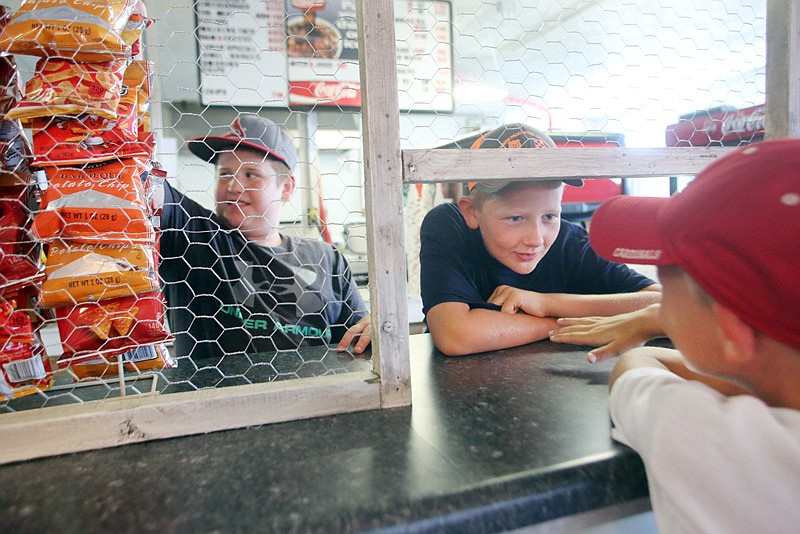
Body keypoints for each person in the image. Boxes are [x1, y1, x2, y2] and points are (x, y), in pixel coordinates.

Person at [586, 138, 800, 533]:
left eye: (664, 294)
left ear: (731, 329)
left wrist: (654, 327)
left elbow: (635, 369)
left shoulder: (707, 435)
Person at [419, 123, 661, 356]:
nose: (536, 239)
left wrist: (547, 303)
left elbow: (661, 301)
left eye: (549, 216)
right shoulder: (450, 225)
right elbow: (455, 335)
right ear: (472, 212)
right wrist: (566, 323)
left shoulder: (570, 241)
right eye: (514, 218)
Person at [155, 114, 370, 361]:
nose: (233, 186)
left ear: (286, 187)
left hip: (315, 396)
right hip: (218, 398)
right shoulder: (192, 236)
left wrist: (373, 327)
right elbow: (146, 187)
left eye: (251, 175)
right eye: (224, 174)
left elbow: (358, 338)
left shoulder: (328, 259)